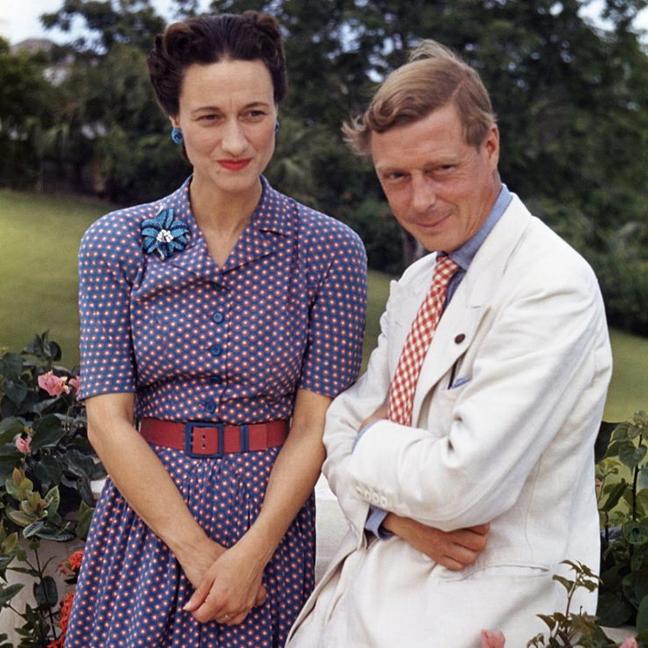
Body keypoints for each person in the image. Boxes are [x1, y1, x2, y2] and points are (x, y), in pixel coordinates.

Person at [287, 40, 612, 647]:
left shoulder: (551, 286)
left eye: (442, 169)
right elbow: (335, 436)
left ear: (490, 146)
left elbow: (462, 486)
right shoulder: (419, 281)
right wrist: (395, 517)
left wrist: (368, 441)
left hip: (474, 619)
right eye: (396, 177)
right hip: (362, 605)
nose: (420, 200)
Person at [64, 11, 367, 648]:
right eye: (209, 118)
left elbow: (317, 426)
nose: (236, 141)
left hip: (266, 533)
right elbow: (108, 419)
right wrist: (197, 553)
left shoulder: (330, 252)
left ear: (277, 110)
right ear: (174, 119)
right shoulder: (117, 245)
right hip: (146, 525)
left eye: (254, 113)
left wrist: (248, 556)